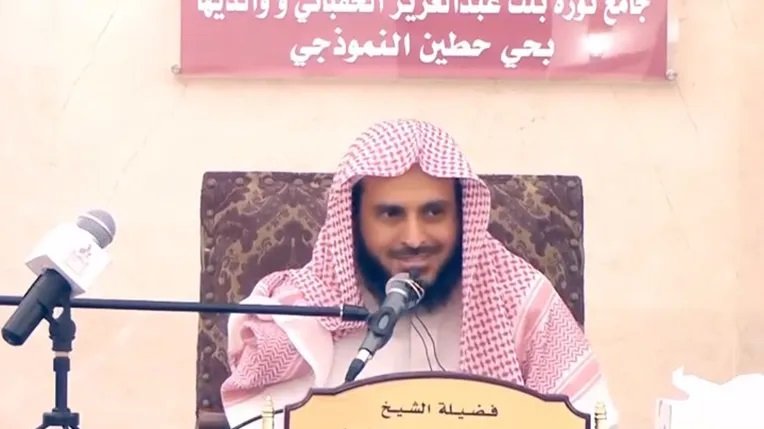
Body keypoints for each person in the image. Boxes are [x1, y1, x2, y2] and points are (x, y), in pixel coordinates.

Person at [221, 119, 619, 428]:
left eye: (433, 212)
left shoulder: (516, 299)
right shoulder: (301, 316)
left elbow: (590, 417)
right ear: (354, 222)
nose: (414, 237)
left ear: (461, 216)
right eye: (391, 214)